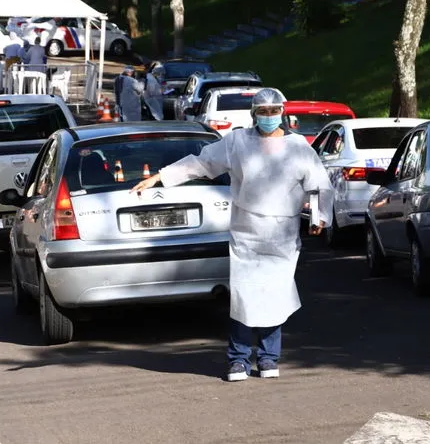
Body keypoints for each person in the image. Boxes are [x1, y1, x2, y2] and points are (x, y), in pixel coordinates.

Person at [131, 88, 333, 382]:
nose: (268, 117)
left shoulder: (299, 147)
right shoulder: (238, 142)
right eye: (262, 112)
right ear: (254, 113)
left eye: (273, 111)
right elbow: (201, 163)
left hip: (282, 233)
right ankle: (238, 359)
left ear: (282, 113)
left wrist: (320, 215)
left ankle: (268, 358)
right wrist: (160, 177)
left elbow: (320, 185)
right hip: (246, 231)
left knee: (274, 295)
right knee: (244, 295)